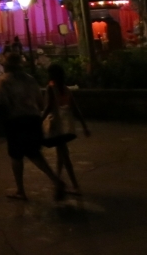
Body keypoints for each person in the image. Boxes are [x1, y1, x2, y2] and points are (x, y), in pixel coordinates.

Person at [0, 53, 65, 201]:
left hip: (15, 120)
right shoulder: (30, 79)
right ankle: (55, 179)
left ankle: (21, 190)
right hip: (33, 118)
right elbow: (40, 102)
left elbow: (1, 102)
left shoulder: (3, 81)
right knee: (34, 153)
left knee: (16, 155)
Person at [42, 63, 90, 194]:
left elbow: (48, 108)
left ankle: (73, 185)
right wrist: (84, 126)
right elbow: (75, 108)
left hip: (56, 127)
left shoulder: (51, 88)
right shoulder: (66, 89)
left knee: (64, 156)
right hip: (65, 127)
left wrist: (39, 121)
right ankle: (58, 181)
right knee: (61, 154)